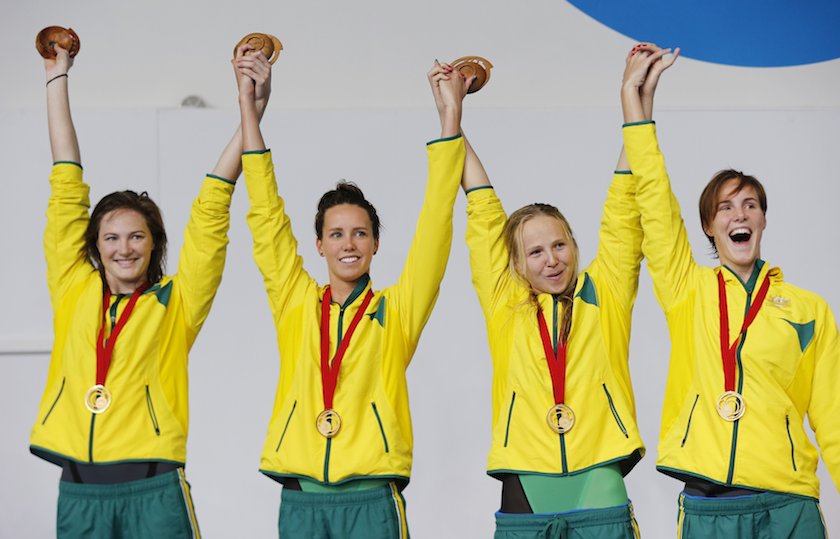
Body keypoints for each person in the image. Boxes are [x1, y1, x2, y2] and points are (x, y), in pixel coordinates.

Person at [29, 42, 272, 538]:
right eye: (112, 238)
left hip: (156, 489)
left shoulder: (176, 303)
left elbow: (210, 212)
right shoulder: (72, 286)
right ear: (94, 245)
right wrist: (57, 78)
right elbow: (65, 178)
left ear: (155, 243)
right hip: (79, 491)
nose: (124, 248)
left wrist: (253, 111)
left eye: (137, 236)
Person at [237, 54, 468, 537]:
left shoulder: (396, 310)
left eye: (360, 233)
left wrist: (450, 119)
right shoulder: (295, 301)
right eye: (337, 234)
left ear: (376, 243)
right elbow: (265, 215)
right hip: (300, 498)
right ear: (319, 245)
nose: (349, 244)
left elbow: (434, 226)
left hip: (372, 496)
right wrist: (249, 111)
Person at [622, 43, 838, 537]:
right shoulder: (686, 289)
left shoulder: (809, 310)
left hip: (789, 504)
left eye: (750, 205)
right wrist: (634, 101)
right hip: (707, 508)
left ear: (763, 220)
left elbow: (834, 415)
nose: (739, 214)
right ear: (708, 227)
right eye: (725, 208)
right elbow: (653, 199)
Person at [457, 46, 660, 537]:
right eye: (535, 252)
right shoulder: (506, 303)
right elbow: (483, 211)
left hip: (599, 476)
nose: (551, 259)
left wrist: (636, 101)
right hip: (525, 482)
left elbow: (624, 205)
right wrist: (451, 116)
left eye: (559, 245)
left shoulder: (605, 290)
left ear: (574, 245)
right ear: (518, 264)